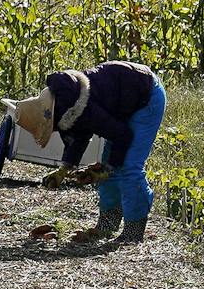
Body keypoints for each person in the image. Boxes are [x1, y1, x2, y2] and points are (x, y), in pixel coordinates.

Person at [10, 61, 166, 243]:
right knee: (111, 165)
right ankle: (107, 224)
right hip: (125, 100)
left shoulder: (82, 109)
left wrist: (107, 168)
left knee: (129, 167)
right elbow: (79, 134)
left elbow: (122, 135)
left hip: (147, 97)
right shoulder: (65, 105)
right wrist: (64, 169)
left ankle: (133, 232)